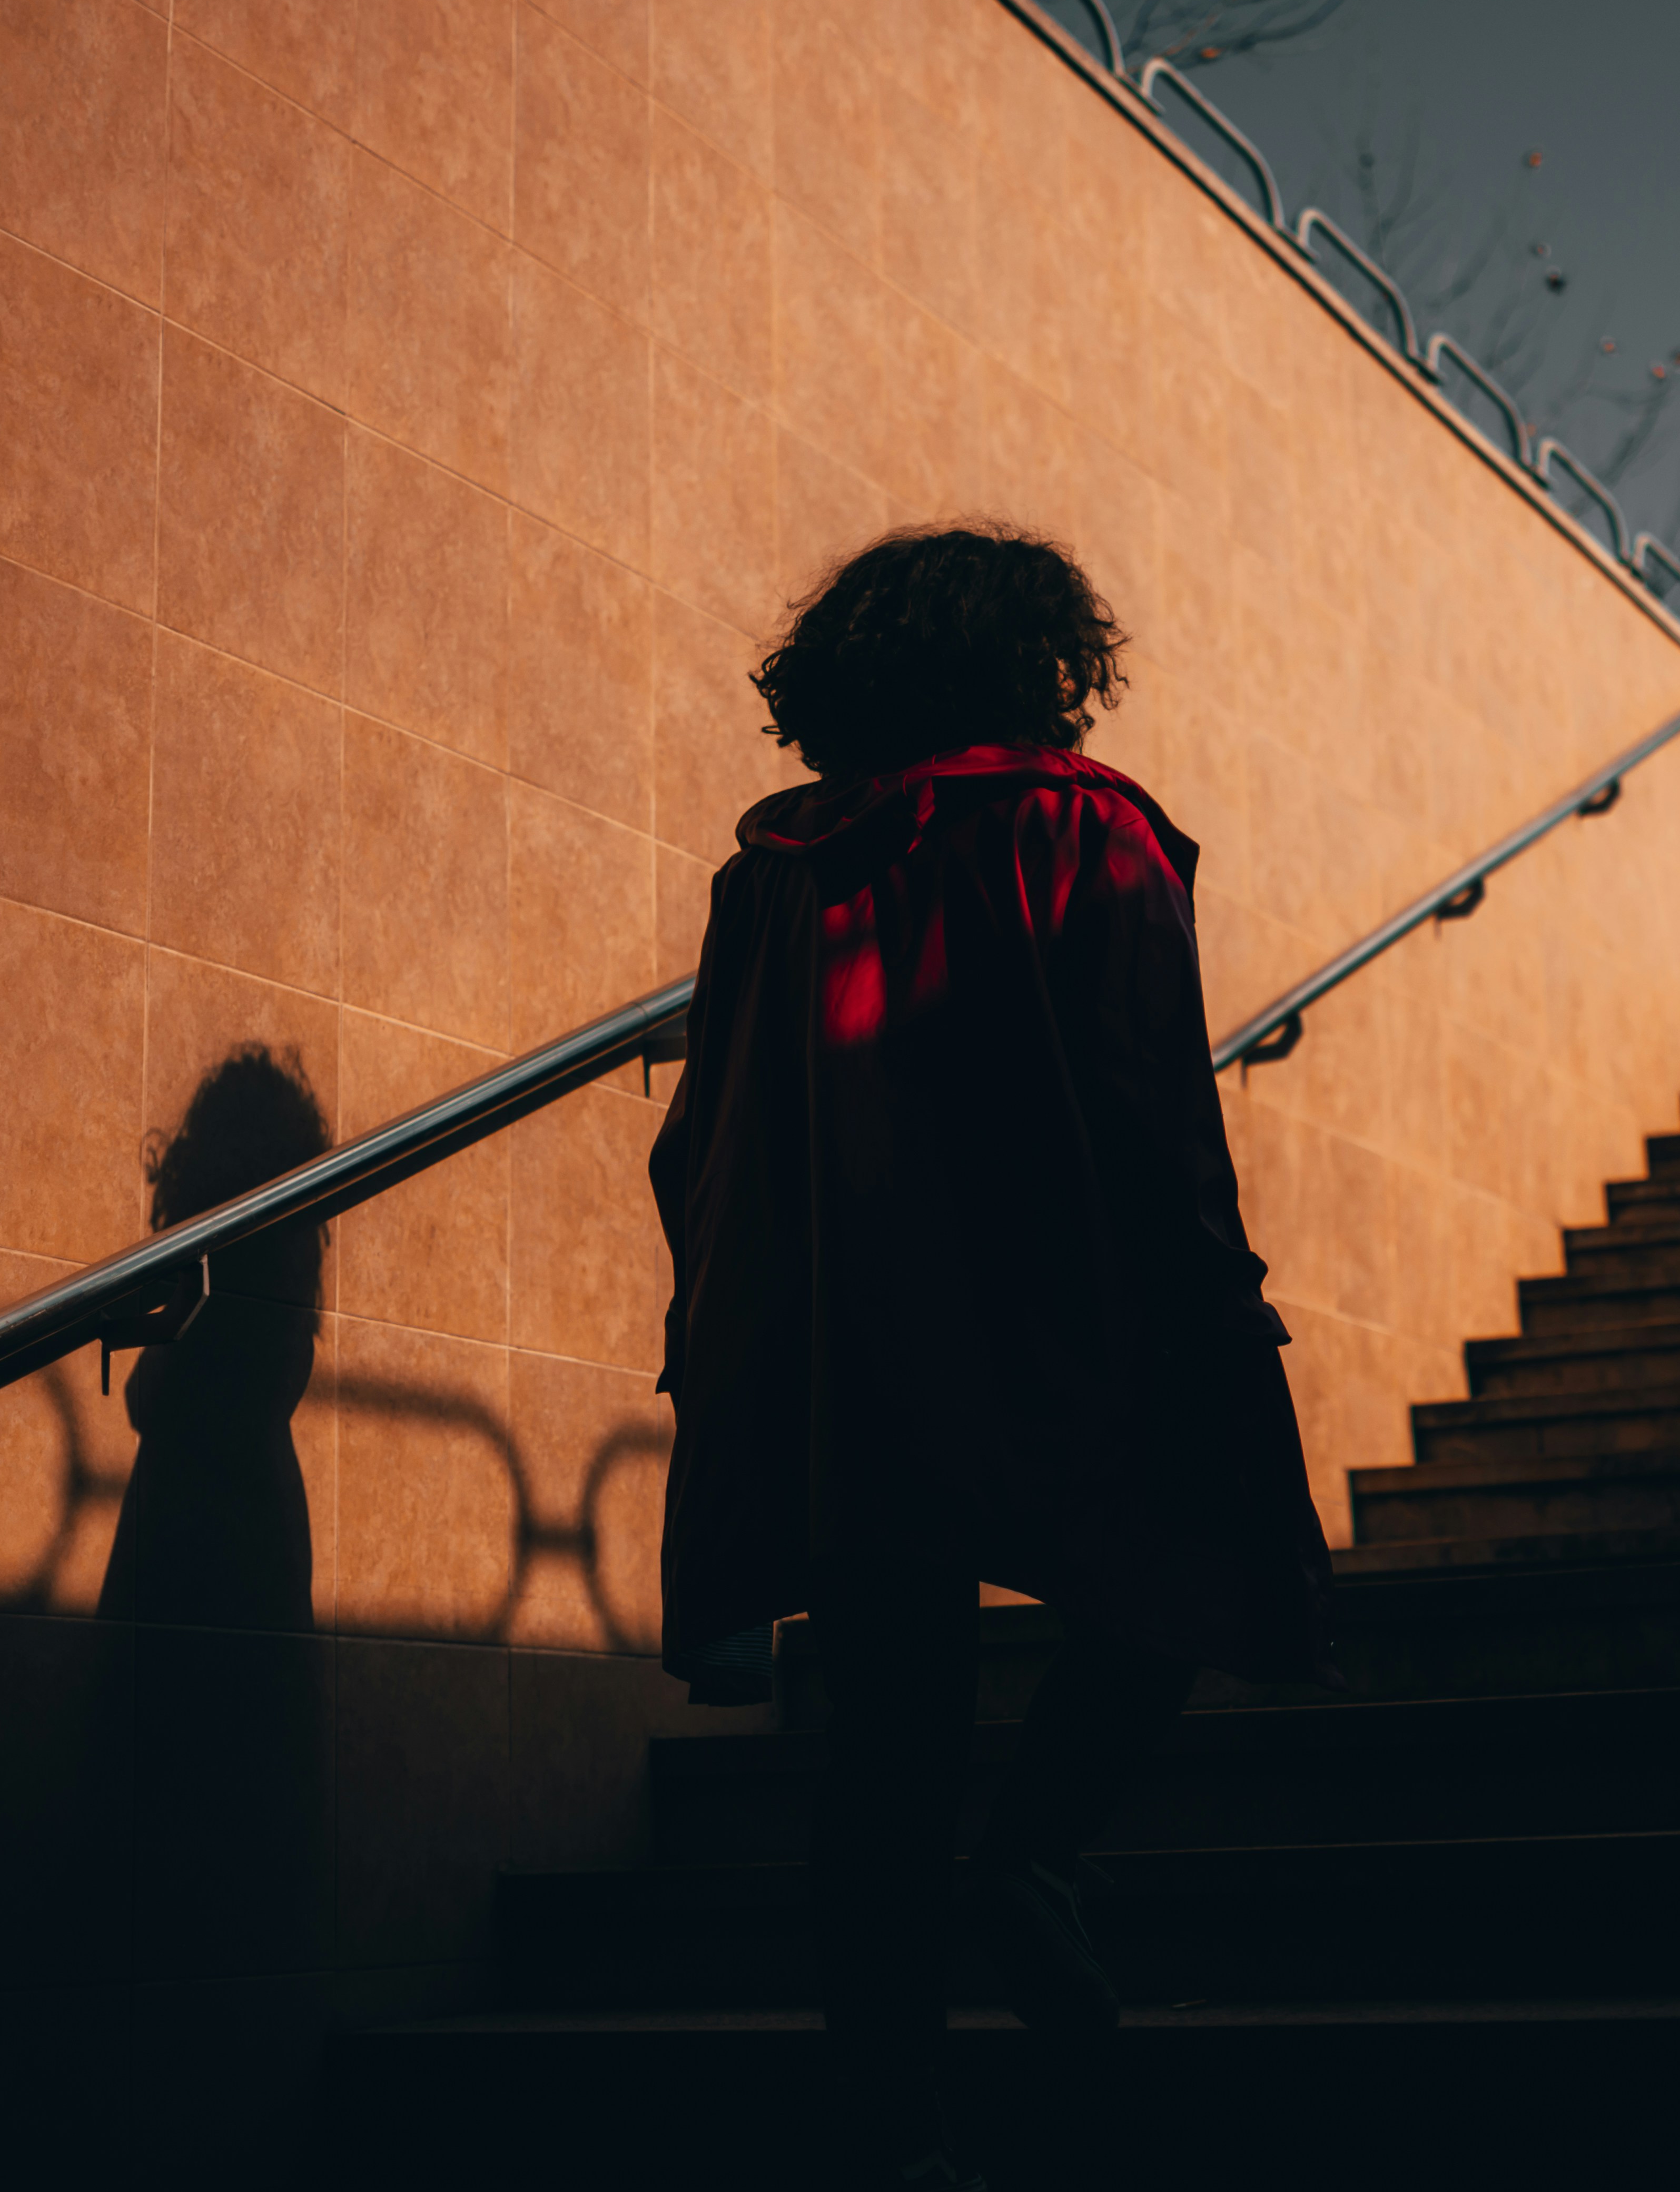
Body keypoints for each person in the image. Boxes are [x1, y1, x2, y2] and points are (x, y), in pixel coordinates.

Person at [646, 524, 1337, 2183]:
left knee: (884, 1744)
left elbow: (706, 1141)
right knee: (1206, 1562)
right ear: (1039, 660)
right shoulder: (1084, 832)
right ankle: (1030, 1857)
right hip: (1060, 1304)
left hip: (849, 1352)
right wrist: (1216, 1293)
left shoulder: (775, 874)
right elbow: (1150, 1093)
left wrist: (735, 1350)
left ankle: (893, 2124)